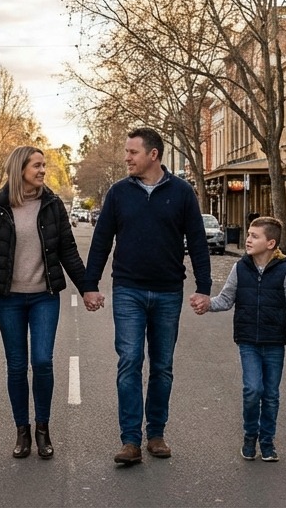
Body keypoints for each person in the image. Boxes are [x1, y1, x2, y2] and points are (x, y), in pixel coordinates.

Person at [83, 127, 212, 465]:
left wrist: (204, 288)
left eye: (132, 152)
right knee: (129, 362)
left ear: (153, 155)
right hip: (128, 290)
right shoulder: (118, 193)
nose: (127, 157)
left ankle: (156, 433)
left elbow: (197, 242)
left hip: (169, 291)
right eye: (127, 152)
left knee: (162, 366)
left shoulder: (182, 193)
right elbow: (101, 241)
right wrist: (90, 284)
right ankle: (130, 441)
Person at [0, 145, 92, 460]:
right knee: (15, 366)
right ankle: (21, 432)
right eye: (37, 165)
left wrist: (88, 289)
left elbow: (67, 250)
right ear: (20, 169)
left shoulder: (52, 205)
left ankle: (42, 429)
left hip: (44, 297)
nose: (42, 170)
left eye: (43, 165)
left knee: (41, 361)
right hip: (8, 299)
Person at [192, 217, 286, 462]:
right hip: (248, 342)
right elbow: (226, 298)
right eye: (249, 234)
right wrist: (207, 304)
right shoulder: (240, 268)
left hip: (274, 341)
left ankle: (267, 442)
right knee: (253, 389)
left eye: (255, 236)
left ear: (271, 243)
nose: (248, 239)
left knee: (271, 394)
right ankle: (250, 436)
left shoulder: (284, 271)